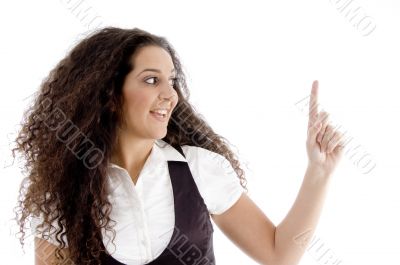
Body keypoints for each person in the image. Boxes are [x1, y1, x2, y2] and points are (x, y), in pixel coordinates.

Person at [13, 27, 344, 265]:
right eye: (152, 79)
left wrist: (319, 171)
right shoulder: (63, 193)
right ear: (110, 94)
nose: (170, 95)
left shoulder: (200, 169)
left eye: (171, 81)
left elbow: (278, 255)